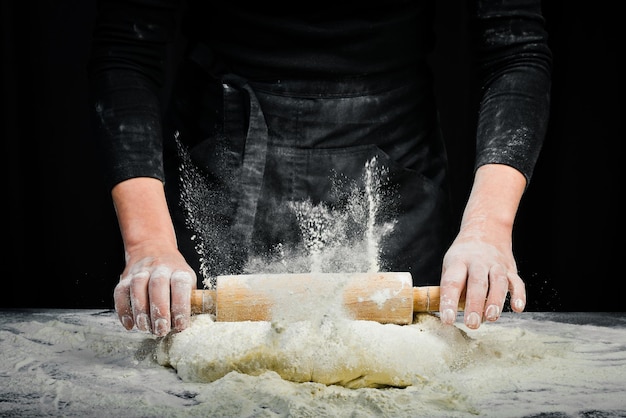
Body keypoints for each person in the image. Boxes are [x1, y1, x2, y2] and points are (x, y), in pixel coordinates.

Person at [88, 1, 552, 337]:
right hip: (224, 168)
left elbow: (515, 52)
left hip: (391, 177)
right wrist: (149, 243)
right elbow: (127, 50)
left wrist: (487, 230)